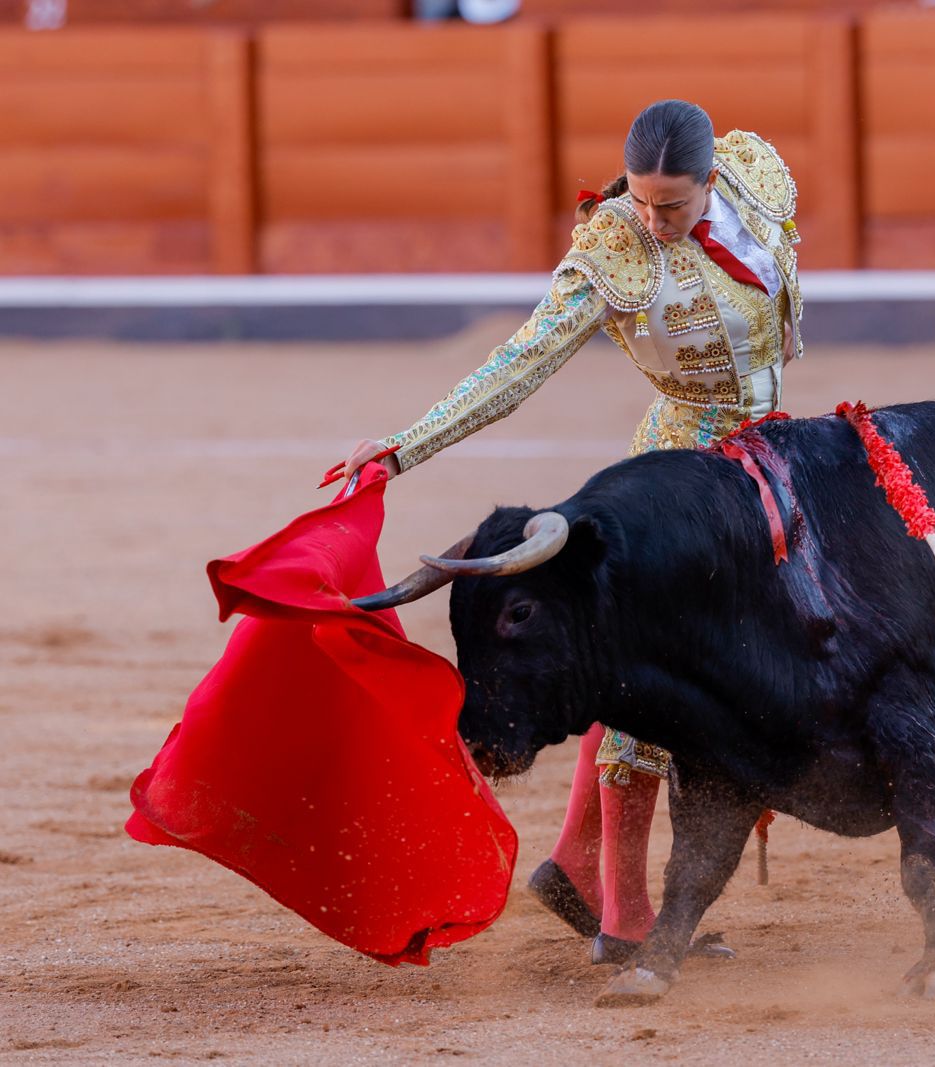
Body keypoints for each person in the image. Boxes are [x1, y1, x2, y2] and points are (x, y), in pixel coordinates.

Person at [340, 99, 804, 965]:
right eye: (640, 200)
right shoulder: (613, 245)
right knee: (646, 679)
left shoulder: (755, 174)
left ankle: (577, 861)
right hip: (676, 480)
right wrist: (404, 449)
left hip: (768, 462)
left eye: (672, 204)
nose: (652, 220)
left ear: (712, 179)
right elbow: (519, 363)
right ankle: (625, 917)